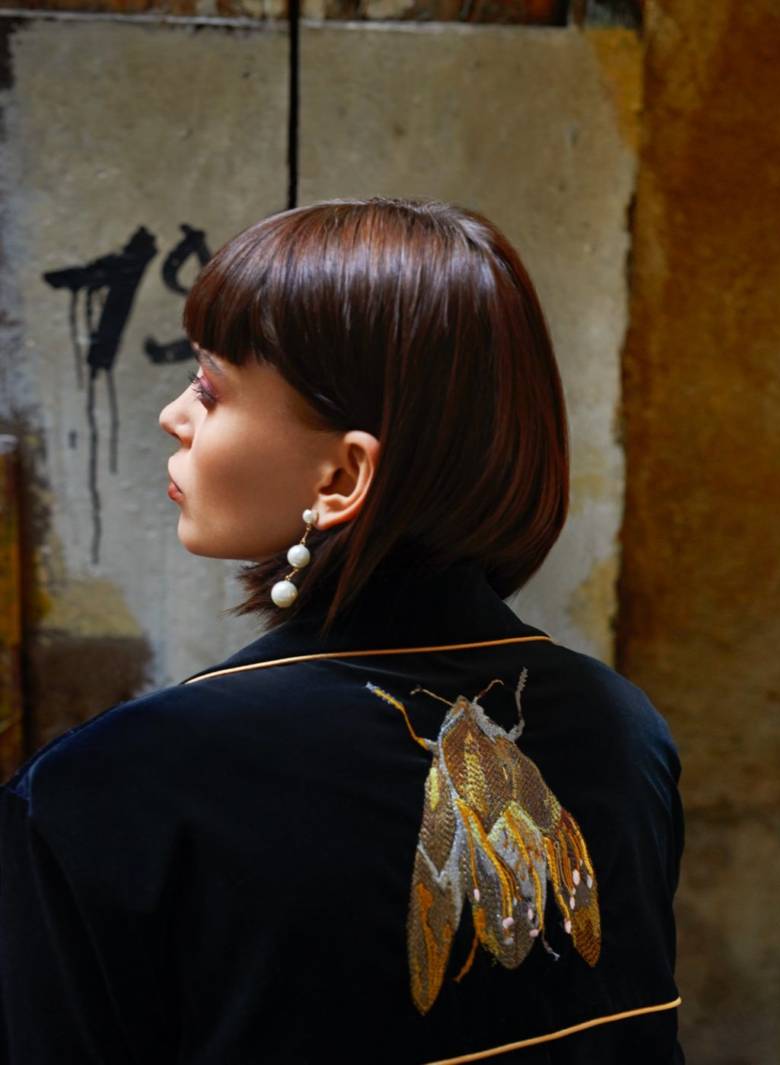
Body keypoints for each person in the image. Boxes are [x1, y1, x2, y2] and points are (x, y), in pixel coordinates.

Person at [0, 197, 684, 1064]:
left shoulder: (106, 792)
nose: (176, 413)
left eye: (210, 388)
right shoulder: (627, 730)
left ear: (342, 477)